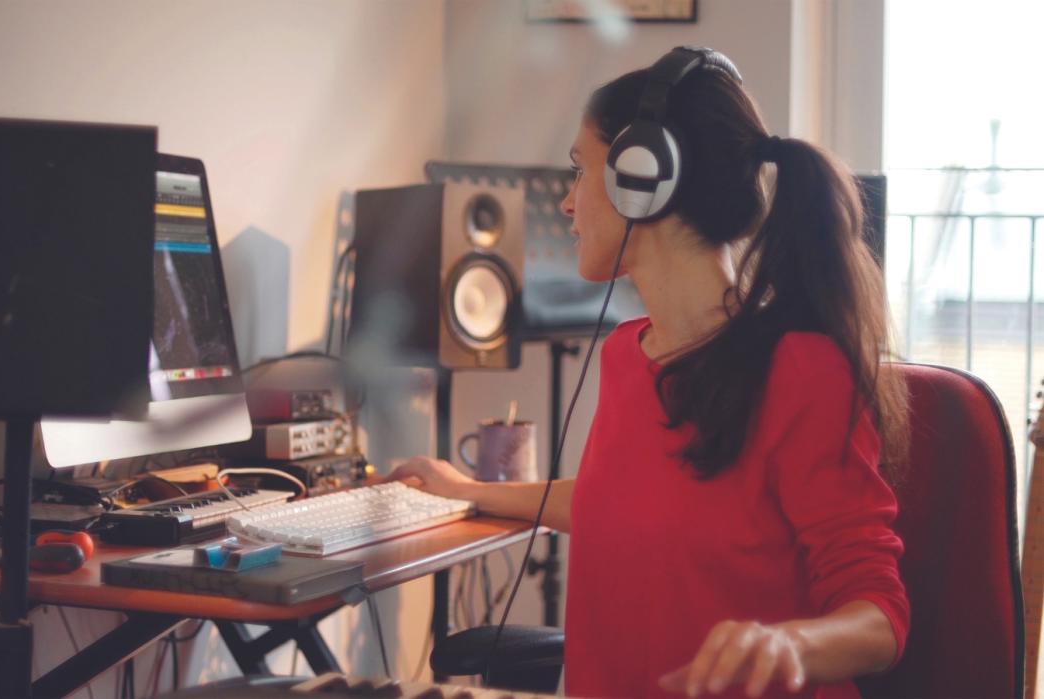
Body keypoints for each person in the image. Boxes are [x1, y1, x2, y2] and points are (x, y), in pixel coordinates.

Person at [389, 47, 910, 699]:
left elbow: (879, 615)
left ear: (646, 177)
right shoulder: (626, 353)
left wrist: (791, 641)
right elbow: (617, 501)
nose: (570, 202)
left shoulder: (802, 372)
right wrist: (466, 488)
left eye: (581, 171)